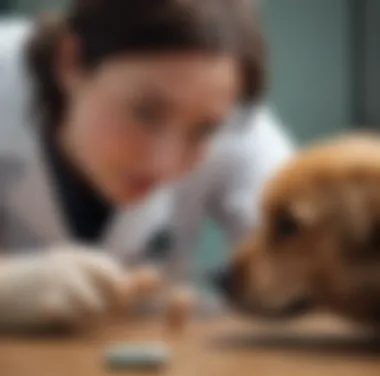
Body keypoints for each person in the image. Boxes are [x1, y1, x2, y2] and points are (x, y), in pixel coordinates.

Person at [0, 1, 293, 330]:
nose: (164, 165)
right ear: (71, 62)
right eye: (146, 113)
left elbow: (308, 249)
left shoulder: (232, 114)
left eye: (205, 130)